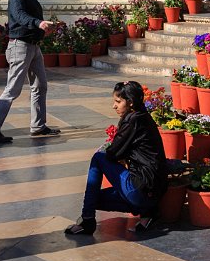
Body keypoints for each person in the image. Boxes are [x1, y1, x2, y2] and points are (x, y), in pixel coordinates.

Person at [64, 81, 168, 235]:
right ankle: (148, 214)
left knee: (98, 158)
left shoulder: (133, 120)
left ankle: (87, 220)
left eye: (118, 102)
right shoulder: (144, 117)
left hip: (140, 190)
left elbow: (113, 153)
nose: (114, 106)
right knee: (93, 200)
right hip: (151, 196)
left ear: (131, 102)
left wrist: (112, 154)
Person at [0, 0, 61, 143]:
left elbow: (29, 19)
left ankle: (38, 126)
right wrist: (39, 23)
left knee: (40, 85)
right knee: (13, 89)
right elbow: (20, 16)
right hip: (20, 47)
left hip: (33, 46)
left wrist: (43, 29)